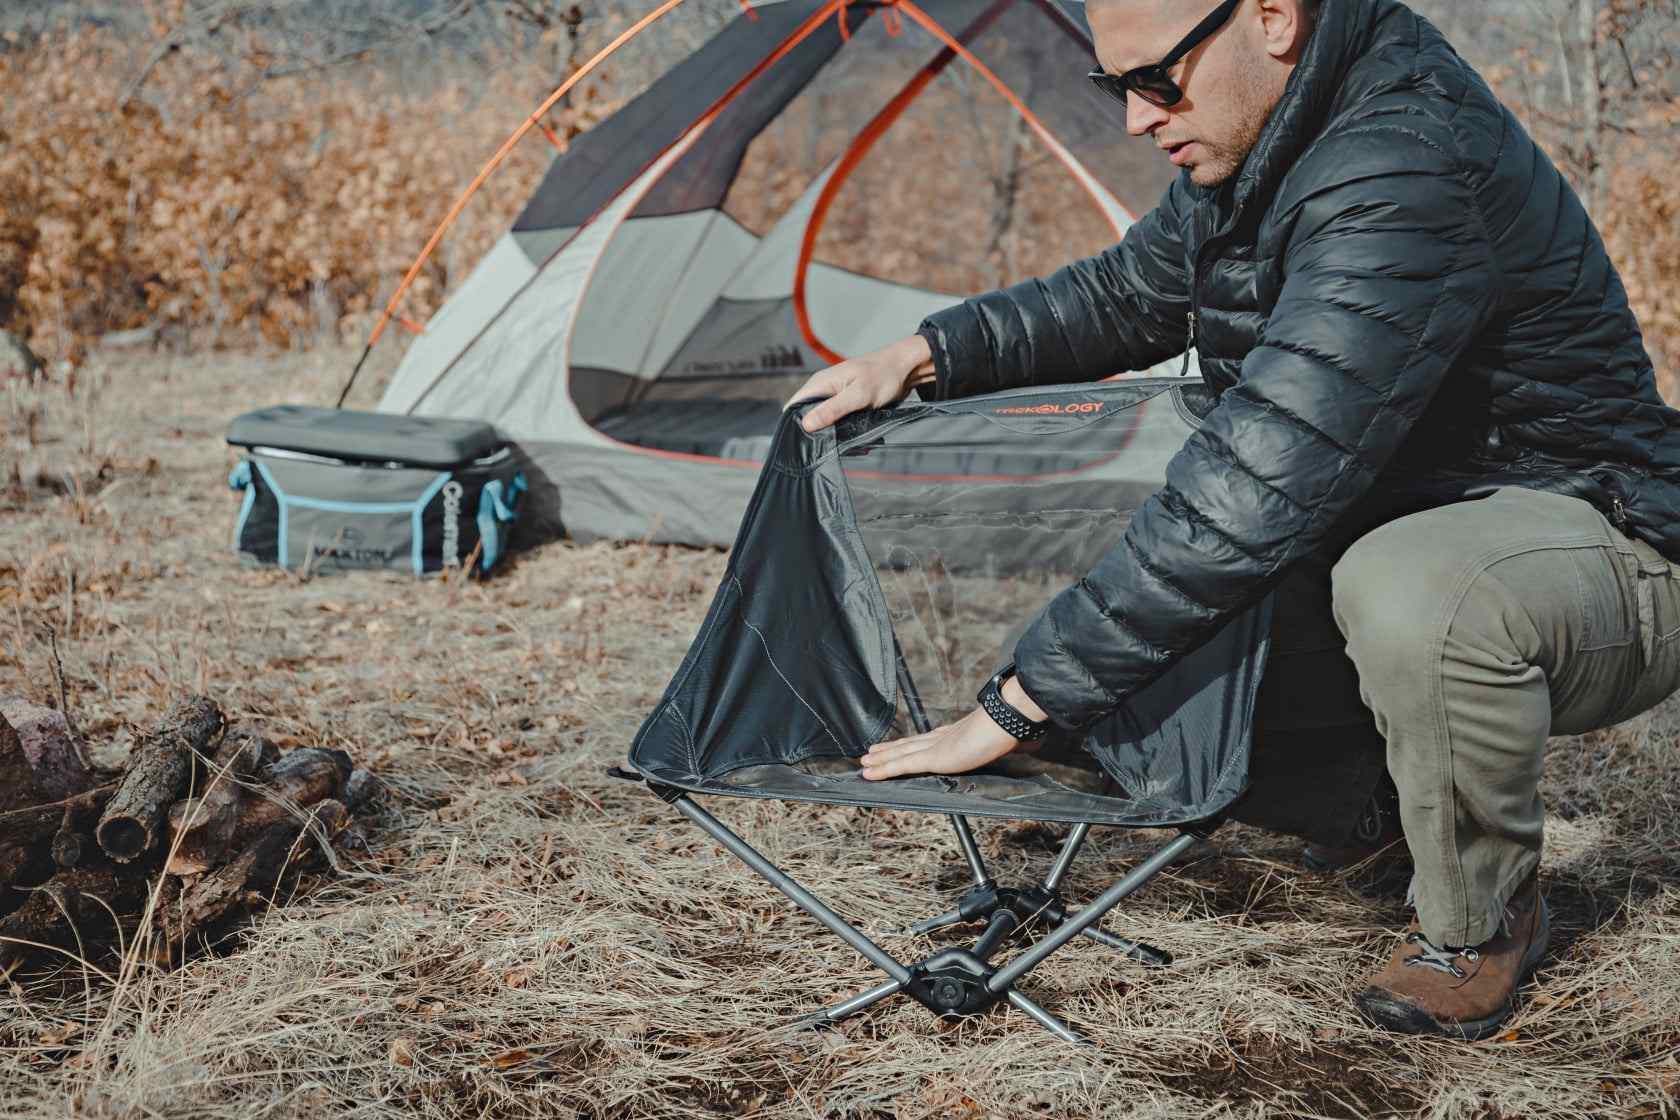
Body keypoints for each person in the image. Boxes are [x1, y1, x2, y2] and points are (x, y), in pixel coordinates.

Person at [785, 0, 1680, 1041]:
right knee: (1204, 562)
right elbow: (1129, 295)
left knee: (1407, 591)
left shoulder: (1403, 163)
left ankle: (1480, 918)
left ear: (1272, 18)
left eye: (1156, 79)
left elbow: (1264, 473)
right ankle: (1379, 812)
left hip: (1599, 531)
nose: (1135, 119)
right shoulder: (1270, 140)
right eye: (1114, 86)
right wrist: (926, 353)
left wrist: (1027, 700)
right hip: (1432, 502)